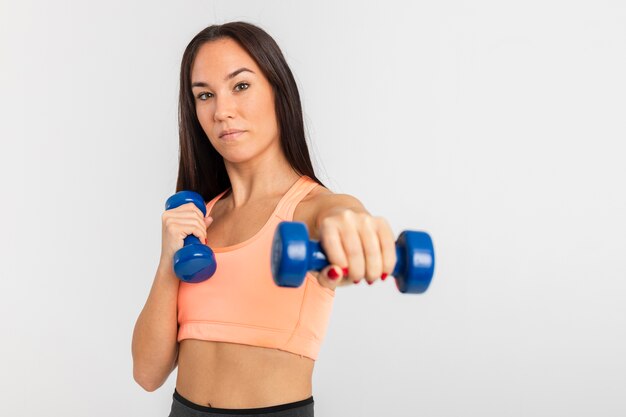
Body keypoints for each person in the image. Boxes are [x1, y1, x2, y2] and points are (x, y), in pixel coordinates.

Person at [131, 21, 397, 417]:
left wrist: (353, 226)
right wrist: (168, 258)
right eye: (205, 95)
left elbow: (341, 215)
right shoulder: (198, 220)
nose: (222, 111)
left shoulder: (309, 209)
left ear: (278, 90)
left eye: (240, 86)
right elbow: (148, 374)